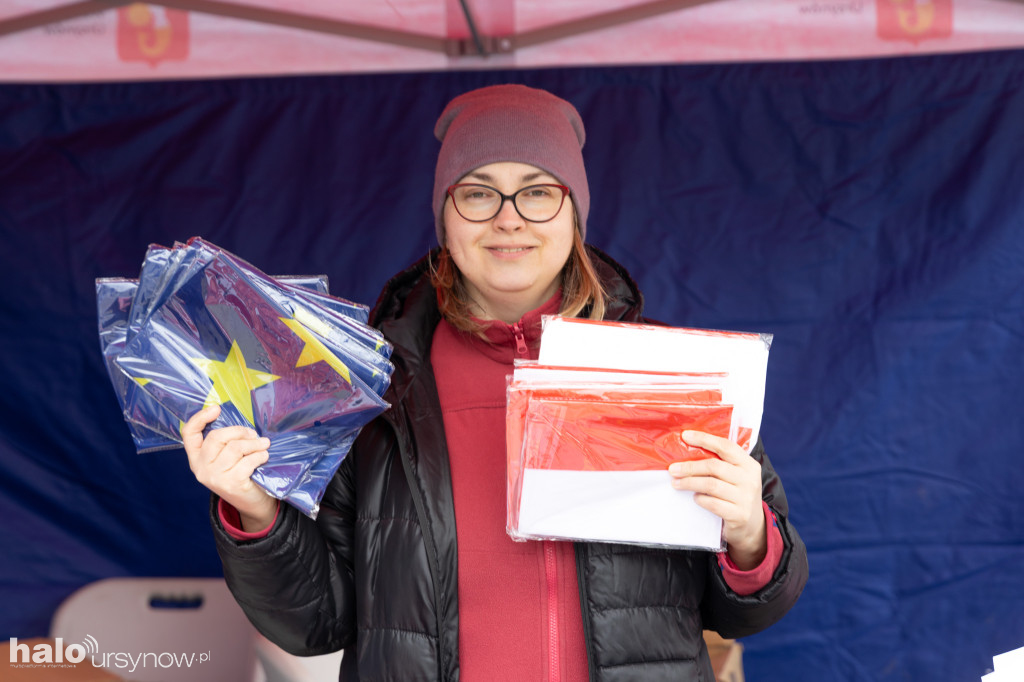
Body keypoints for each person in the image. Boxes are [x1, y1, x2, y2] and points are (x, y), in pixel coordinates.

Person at [182, 83, 808, 681]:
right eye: (478, 193)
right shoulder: (372, 390)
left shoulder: (667, 376)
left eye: (538, 192)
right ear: (445, 218)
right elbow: (315, 624)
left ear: (573, 216)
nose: (509, 219)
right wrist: (256, 511)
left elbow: (752, 608)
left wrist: (749, 533)